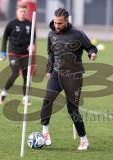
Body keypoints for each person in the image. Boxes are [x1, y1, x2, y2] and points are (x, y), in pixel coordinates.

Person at [40, 8, 98, 150]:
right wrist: (49, 70)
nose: (57, 26)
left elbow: (91, 47)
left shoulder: (77, 34)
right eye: (55, 22)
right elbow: (51, 54)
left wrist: (92, 54)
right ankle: (45, 131)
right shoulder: (51, 34)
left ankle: (84, 140)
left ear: (67, 22)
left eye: (60, 23)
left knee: (72, 109)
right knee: (47, 99)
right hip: (57, 73)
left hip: (74, 76)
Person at [0, 2, 35, 105]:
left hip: (25, 54)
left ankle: (26, 98)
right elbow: (5, 37)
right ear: (17, 11)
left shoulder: (29, 24)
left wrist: (33, 45)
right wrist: (3, 52)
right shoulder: (11, 24)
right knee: (14, 73)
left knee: (27, 77)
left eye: (24, 11)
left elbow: (33, 37)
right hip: (13, 53)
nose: (22, 13)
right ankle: (3, 93)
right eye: (21, 11)